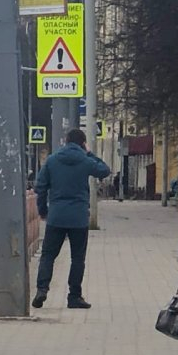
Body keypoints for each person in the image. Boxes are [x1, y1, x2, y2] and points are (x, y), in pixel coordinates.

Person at [32, 128, 112, 309]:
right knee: (77, 258)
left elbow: (40, 187)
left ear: (65, 142)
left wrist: (43, 210)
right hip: (78, 218)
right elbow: (105, 171)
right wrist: (90, 153)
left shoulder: (52, 161)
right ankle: (74, 296)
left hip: (56, 216)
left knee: (48, 255)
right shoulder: (85, 160)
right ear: (82, 144)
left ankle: (42, 290)